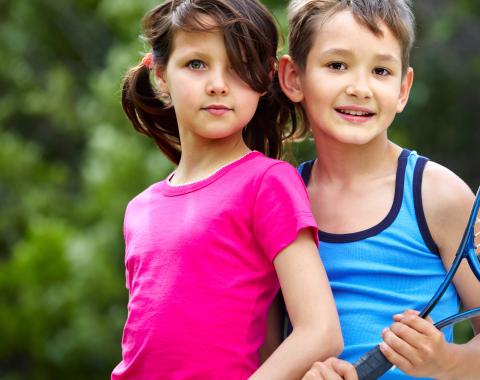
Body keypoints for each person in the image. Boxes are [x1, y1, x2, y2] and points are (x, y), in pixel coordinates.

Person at [276, 0, 480, 378]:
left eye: (380, 70)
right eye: (336, 65)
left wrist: (445, 360)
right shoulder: (280, 199)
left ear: (403, 88)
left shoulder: (438, 196)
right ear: (294, 77)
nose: (359, 88)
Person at [112, 0, 342, 378]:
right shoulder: (140, 208)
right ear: (160, 75)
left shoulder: (267, 183)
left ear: (265, 79)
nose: (218, 85)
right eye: (196, 64)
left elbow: (320, 332)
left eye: (239, 68)